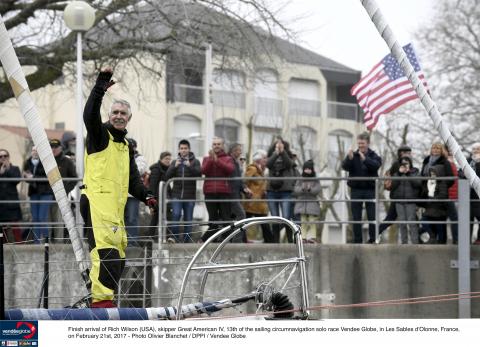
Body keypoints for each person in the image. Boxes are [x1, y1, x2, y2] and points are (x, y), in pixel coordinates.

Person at [80, 67, 157, 308]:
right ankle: (100, 304)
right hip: (96, 204)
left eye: (123, 113)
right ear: (110, 114)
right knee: (105, 257)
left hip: (114, 210)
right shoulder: (99, 135)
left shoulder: (125, 146)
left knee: (119, 260)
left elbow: (133, 180)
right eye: (115, 112)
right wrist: (101, 85)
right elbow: (89, 114)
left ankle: (106, 299)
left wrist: (147, 196)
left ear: (129, 118)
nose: (118, 115)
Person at [342, 132, 382, 243]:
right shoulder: (353, 155)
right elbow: (344, 167)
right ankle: (357, 241)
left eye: (362, 143)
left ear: (368, 143)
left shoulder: (374, 156)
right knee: (356, 217)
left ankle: (373, 240)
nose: (360, 146)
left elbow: (376, 166)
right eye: (359, 143)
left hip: (370, 190)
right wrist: (348, 159)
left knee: (372, 217)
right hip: (356, 190)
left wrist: (364, 159)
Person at [165, 140, 201, 243]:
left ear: (189, 149)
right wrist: (174, 166)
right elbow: (167, 176)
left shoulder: (195, 161)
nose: (183, 150)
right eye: (181, 148)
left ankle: (187, 240)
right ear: (179, 150)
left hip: (190, 196)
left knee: (188, 219)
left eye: (185, 148)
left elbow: (199, 174)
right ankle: (174, 238)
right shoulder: (174, 161)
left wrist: (190, 166)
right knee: (176, 215)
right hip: (176, 195)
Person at [200, 137, 234, 242]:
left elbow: (230, 170)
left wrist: (217, 160)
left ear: (222, 146)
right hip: (209, 192)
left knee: (226, 218)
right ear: (212, 146)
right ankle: (212, 241)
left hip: (224, 192)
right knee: (213, 219)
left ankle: (227, 241)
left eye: (218, 144)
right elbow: (203, 170)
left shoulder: (228, 158)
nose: (216, 146)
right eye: (214, 144)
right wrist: (211, 159)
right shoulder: (206, 158)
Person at [419, 142, 453, 244]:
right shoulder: (426, 161)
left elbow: (450, 178)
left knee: (440, 222)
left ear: (441, 150)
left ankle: (441, 242)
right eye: (434, 148)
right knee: (427, 220)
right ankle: (432, 238)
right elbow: (422, 176)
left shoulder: (445, 162)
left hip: (439, 194)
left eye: (438, 148)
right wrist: (426, 189)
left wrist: (440, 186)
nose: (435, 150)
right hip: (428, 193)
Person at [377, 145, 413, 243]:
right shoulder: (398, 164)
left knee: (392, 218)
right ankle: (375, 234)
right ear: (401, 153)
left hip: (405, 196)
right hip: (398, 197)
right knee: (392, 218)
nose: (409, 155)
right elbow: (397, 181)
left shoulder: (406, 163)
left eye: (410, 153)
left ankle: (375, 234)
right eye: (407, 152)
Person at [266, 138, 296, 243]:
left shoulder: (288, 156)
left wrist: (283, 152)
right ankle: (275, 242)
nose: (278, 146)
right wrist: (276, 153)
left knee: (286, 217)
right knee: (274, 218)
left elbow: (289, 164)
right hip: (271, 192)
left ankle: (290, 240)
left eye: (280, 145)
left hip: (285, 191)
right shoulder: (271, 155)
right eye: (277, 145)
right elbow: (268, 164)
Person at [23, 146, 53, 243]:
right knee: (35, 218)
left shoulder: (46, 162)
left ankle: (46, 240)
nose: (35, 152)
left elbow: (48, 176)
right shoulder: (27, 162)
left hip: (46, 192)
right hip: (33, 192)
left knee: (41, 218)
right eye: (33, 150)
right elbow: (26, 176)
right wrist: (27, 177)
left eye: (37, 150)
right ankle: (37, 242)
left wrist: (33, 177)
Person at [49, 138, 77, 243]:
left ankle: (58, 244)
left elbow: (74, 178)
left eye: (56, 147)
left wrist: (65, 190)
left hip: (60, 196)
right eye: (51, 147)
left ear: (61, 148)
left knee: (58, 222)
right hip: (46, 195)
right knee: (45, 222)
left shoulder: (67, 161)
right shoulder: (46, 160)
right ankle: (44, 244)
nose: (53, 149)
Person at [243, 150, 274, 242]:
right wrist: (248, 192)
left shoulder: (261, 170)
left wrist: (264, 191)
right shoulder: (252, 168)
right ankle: (270, 241)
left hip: (259, 202)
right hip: (252, 202)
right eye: (264, 158)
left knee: (260, 222)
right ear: (258, 159)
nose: (266, 160)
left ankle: (269, 241)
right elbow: (244, 181)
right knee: (247, 222)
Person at [390, 157, 421, 244]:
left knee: (412, 223)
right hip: (399, 202)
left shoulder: (415, 172)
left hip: (411, 201)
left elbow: (418, 184)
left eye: (406, 163)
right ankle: (404, 244)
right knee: (402, 223)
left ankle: (415, 243)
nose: (405, 165)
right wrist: (399, 173)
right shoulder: (397, 173)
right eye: (403, 163)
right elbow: (393, 186)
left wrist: (408, 174)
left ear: (410, 163)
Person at [124, 138, 149, 246]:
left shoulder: (140, 158)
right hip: (120, 193)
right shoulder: (119, 156)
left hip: (132, 194)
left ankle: (132, 241)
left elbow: (138, 170)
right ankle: (121, 241)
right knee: (120, 218)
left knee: (132, 218)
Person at [293, 160, 321, 243]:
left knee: (312, 221)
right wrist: (302, 188)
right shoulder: (300, 179)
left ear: (312, 169)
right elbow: (296, 190)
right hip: (301, 203)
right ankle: (303, 238)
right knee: (303, 222)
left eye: (309, 169)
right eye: (306, 169)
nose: (307, 170)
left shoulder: (315, 179)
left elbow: (318, 189)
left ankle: (312, 237)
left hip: (312, 203)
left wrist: (310, 189)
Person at [228, 143, 251, 242]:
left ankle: (238, 240)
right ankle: (237, 241)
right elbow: (232, 180)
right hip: (231, 195)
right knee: (241, 215)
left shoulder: (236, 163)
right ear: (233, 151)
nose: (240, 152)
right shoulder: (230, 162)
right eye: (239, 150)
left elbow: (238, 180)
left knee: (234, 217)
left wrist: (244, 188)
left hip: (236, 194)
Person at [0, 149, 23, 243]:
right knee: (2, 231)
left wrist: (8, 169)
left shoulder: (15, 168)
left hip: (11, 203)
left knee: (15, 229)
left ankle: (19, 247)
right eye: (0, 156)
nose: (3, 158)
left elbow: (17, 180)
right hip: (1, 204)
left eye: (5, 156)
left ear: (8, 157)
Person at [459, 142, 480, 244]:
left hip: (478, 195)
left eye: (477, 149)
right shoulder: (467, 161)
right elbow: (460, 172)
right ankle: (466, 242)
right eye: (474, 149)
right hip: (468, 195)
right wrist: (464, 175)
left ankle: (479, 239)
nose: (475, 151)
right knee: (467, 219)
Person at [149, 151, 173, 241]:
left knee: (157, 219)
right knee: (164, 217)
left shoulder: (166, 169)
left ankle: (151, 238)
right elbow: (152, 186)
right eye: (166, 159)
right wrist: (151, 203)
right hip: (158, 199)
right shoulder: (156, 170)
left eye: (169, 159)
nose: (168, 161)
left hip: (164, 198)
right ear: (161, 159)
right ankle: (167, 237)